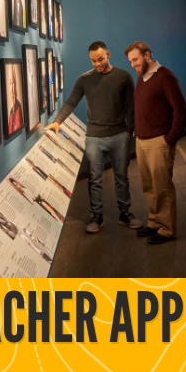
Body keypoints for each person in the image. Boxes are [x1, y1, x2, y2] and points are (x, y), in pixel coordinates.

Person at [44, 41, 141, 233]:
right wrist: (57, 121)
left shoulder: (124, 77)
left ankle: (124, 213)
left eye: (101, 59)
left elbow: (132, 105)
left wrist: (130, 130)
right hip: (94, 137)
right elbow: (71, 102)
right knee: (95, 179)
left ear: (108, 54)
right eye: (93, 61)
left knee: (121, 177)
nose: (97, 64)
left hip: (120, 135)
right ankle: (97, 216)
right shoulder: (84, 80)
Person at [125, 41, 186, 244]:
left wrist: (170, 139)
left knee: (162, 187)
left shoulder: (165, 76)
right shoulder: (142, 78)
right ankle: (155, 223)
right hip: (142, 141)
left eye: (135, 59)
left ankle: (167, 229)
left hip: (159, 141)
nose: (133, 65)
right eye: (130, 62)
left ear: (147, 55)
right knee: (149, 186)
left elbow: (181, 110)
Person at [8, 65, 22, 133]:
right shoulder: (11, 112)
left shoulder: (19, 108)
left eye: (13, 82)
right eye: (10, 83)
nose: (12, 89)